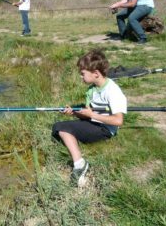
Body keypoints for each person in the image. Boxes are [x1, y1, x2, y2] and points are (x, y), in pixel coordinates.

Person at [52, 49, 127, 186]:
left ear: (96, 74)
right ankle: (76, 145)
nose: (81, 77)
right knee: (57, 128)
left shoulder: (113, 91)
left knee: (62, 128)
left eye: (82, 74)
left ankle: (80, 164)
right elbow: (87, 113)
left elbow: (118, 120)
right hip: (93, 122)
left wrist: (91, 115)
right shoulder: (92, 90)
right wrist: (73, 112)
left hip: (105, 129)